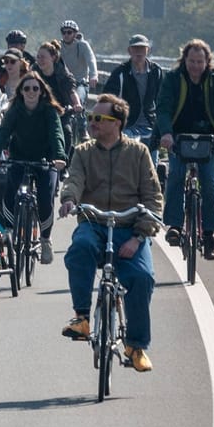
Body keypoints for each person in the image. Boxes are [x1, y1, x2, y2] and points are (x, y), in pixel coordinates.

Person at [59, 93, 163, 371]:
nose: (92, 123)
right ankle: (82, 318)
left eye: (98, 119)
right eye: (91, 118)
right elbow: (74, 180)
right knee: (79, 250)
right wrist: (69, 199)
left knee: (142, 278)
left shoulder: (138, 153)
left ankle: (135, 345)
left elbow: (153, 198)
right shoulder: (83, 152)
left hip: (129, 228)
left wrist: (139, 236)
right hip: (94, 223)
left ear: (116, 123)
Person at [153, 38, 214, 259]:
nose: (195, 66)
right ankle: (175, 226)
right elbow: (163, 108)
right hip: (178, 138)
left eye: (200, 61)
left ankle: (209, 234)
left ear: (207, 61)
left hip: (208, 139)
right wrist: (166, 133)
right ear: (184, 60)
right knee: (177, 176)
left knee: (209, 182)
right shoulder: (172, 79)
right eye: (192, 61)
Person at [0, 70, 68, 264]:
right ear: (21, 91)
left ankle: (45, 239)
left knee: (45, 197)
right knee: (9, 191)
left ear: (41, 91)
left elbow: (57, 134)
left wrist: (59, 157)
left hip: (44, 160)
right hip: (19, 158)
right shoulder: (15, 109)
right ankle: (9, 230)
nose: (31, 92)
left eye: (35, 88)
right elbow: (3, 132)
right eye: (27, 88)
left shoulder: (49, 111)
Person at [101, 33, 163, 157]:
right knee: (129, 160)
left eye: (142, 48)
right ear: (129, 51)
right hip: (127, 125)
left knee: (151, 166)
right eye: (135, 48)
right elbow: (108, 98)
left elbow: (161, 99)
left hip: (150, 124)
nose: (139, 52)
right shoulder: (121, 72)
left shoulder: (156, 71)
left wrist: (160, 124)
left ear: (148, 50)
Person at [32, 41, 79, 111]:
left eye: (43, 57)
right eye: (38, 57)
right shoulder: (33, 73)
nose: (40, 60)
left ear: (53, 58)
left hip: (62, 110)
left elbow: (71, 91)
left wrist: (77, 104)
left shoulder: (63, 74)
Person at [58, 20, 101, 90]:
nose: (66, 35)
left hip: (81, 83)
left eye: (69, 32)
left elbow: (91, 60)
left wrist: (93, 76)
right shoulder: (58, 46)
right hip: (64, 84)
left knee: (80, 97)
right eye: (63, 32)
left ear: (75, 33)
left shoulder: (83, 45)